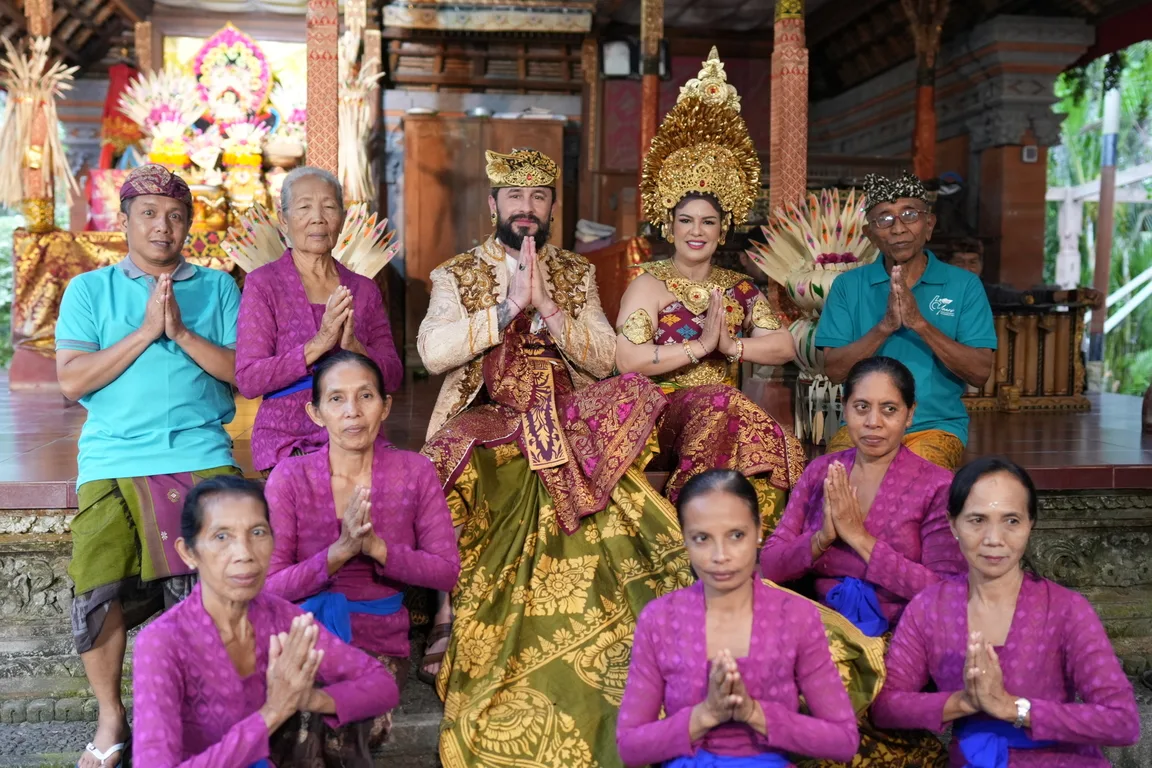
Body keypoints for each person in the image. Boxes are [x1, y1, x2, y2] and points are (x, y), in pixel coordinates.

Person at [418, 145, 690, 768]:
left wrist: (547, 308)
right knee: (451, 456)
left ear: (551, 206)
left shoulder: (576, 272)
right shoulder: (455, 273)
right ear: (493, 205)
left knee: (633, 394)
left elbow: (603, 357)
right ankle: (445, 611)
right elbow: (433, 352)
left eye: (539, 197)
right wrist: (507, 308)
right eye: (515, 197)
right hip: (489, 408)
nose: (527, 208)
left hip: (566, 409)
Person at [55, 164, 243, 768]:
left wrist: (182, 333)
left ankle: (196, 712)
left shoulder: (217, 288)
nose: (163, 226)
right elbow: (71, 380)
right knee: (96, 581)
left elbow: (243, 374)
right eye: (149, 213)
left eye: (175, 214)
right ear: (125, 221)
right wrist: (143, 332)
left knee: (214, 582)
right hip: (113, 456)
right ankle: (112, 715)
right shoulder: (90, 289)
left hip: (201, 452)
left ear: (190, 223)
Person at [615, 46, 804, 521]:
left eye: (707, 222)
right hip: (662, 414)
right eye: (686, 221)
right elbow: (628, 360)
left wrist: (732, 348)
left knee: (764, 431)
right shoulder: (650, 284)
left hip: (723, 408)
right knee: (722, 404)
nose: (696, 231)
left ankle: (754, 538)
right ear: (670, 226)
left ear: (723, 229)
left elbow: (783, 346)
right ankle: (692, 519)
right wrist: (700, 348)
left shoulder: (738, 288)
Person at [872, 457, 1140, 766]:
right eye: (977, 520)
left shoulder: (1066, 609)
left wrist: (1013, 708)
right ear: (952, 524)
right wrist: (964, 702)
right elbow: (886, 705)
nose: (993, 539)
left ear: (1030, 524)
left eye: (1011, 520)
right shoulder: (928, 609)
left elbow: (1122, 721)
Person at [263, 350, 460, 749]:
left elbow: (445, 571)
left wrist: (378, 549)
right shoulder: (291, 477)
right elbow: (269, 586)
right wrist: (337, 553)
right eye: (336, 399)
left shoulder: (414, 472)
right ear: (316, 413)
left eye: (365, 396)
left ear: (385, 407)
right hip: (297, 635)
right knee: (288, 732)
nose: (352, 411)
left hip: (377, 639)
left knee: (344, 731)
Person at [132, 476, 400, 767]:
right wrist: (273, 713)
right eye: (222, 537)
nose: (244, 554)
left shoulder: (280, 618)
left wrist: (311, 699)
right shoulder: (162, 643)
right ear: (189, 553)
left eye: (258, 532)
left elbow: (382, 684)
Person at [617, 470, 862, 767]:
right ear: (685, 541)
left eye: (736, 535)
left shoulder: (796, 617)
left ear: (759, 531)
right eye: (702, 538)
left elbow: (843, 740)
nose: (721, 555)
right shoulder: (659, 620)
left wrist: (753, 713)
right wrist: (705, 715)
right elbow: (630, 747)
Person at [761, 357, 965, 634]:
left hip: (903, 635)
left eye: (889, 409)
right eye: (861, 407)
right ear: (845, 409)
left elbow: (945, 593)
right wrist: (821, 539)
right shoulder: (821, 472)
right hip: (814, 630)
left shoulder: (936, 485)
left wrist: (859, 538)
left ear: (910, 414)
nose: (873, 422)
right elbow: (770, 566)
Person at [816, 171, 997, 471]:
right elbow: (834, 371)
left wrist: (920, 324)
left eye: (909, 215)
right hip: (863, 428)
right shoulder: (848, 287)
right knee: (835, 480)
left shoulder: (964, 286)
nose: (898, 228)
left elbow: (979, 372)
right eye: (884, 219)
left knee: (913, 483)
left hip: (935, 427)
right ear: (871, 234)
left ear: (929, 225)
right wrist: (884, 327)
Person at [235, 166, 403, 473]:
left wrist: (355, 348)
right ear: (283, 219)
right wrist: (318, 344)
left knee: (397, 492)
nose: (318, 218)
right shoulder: (264, 284)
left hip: (356, 430)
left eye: (329, 207)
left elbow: (392, 377)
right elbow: (249, 380)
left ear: (342, 218)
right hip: (287, 436)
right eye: (304, 207)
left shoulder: (363, 289)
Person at [946, 237, 1105, 309]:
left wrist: (1071, 295)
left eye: (972, 263)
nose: (966, 269)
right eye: (959, 263)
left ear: (982, 266)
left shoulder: (989, 293)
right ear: (946, 266)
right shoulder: (931, 293)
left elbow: (1024, 298)